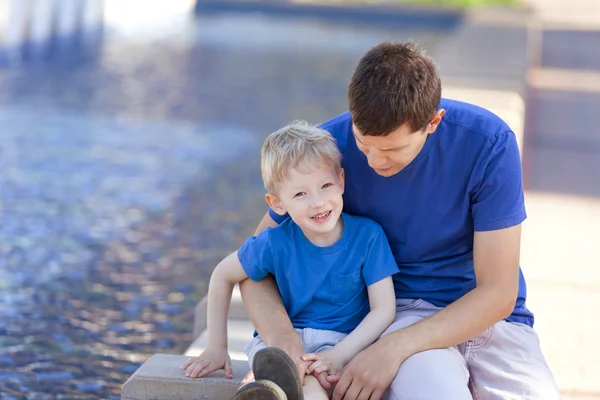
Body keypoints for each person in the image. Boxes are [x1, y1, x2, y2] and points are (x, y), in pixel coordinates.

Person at [239, 41, 560, 399]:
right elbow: (253, 267)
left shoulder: (489, 143)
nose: (375, 161)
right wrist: (285, 344)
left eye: (392, 149)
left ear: (433, 122)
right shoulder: (327, 152)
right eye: (363, 143)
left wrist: (390, 350)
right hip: (399, 314)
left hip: (491, 322)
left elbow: (498, 292)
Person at [181, 121, 399, 399]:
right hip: (279, 347)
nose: (318, 202)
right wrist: (216, 346)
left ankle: (270, 389)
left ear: (341, 181)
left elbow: (384, 309)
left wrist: (338, 354)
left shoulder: (368, 236)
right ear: (277, 204)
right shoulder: (274, 242)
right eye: (300, 194)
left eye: (326, 186)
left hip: (342, 343)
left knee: (313, 385)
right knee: (285, 373)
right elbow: (223, 274)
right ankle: (267, 387)